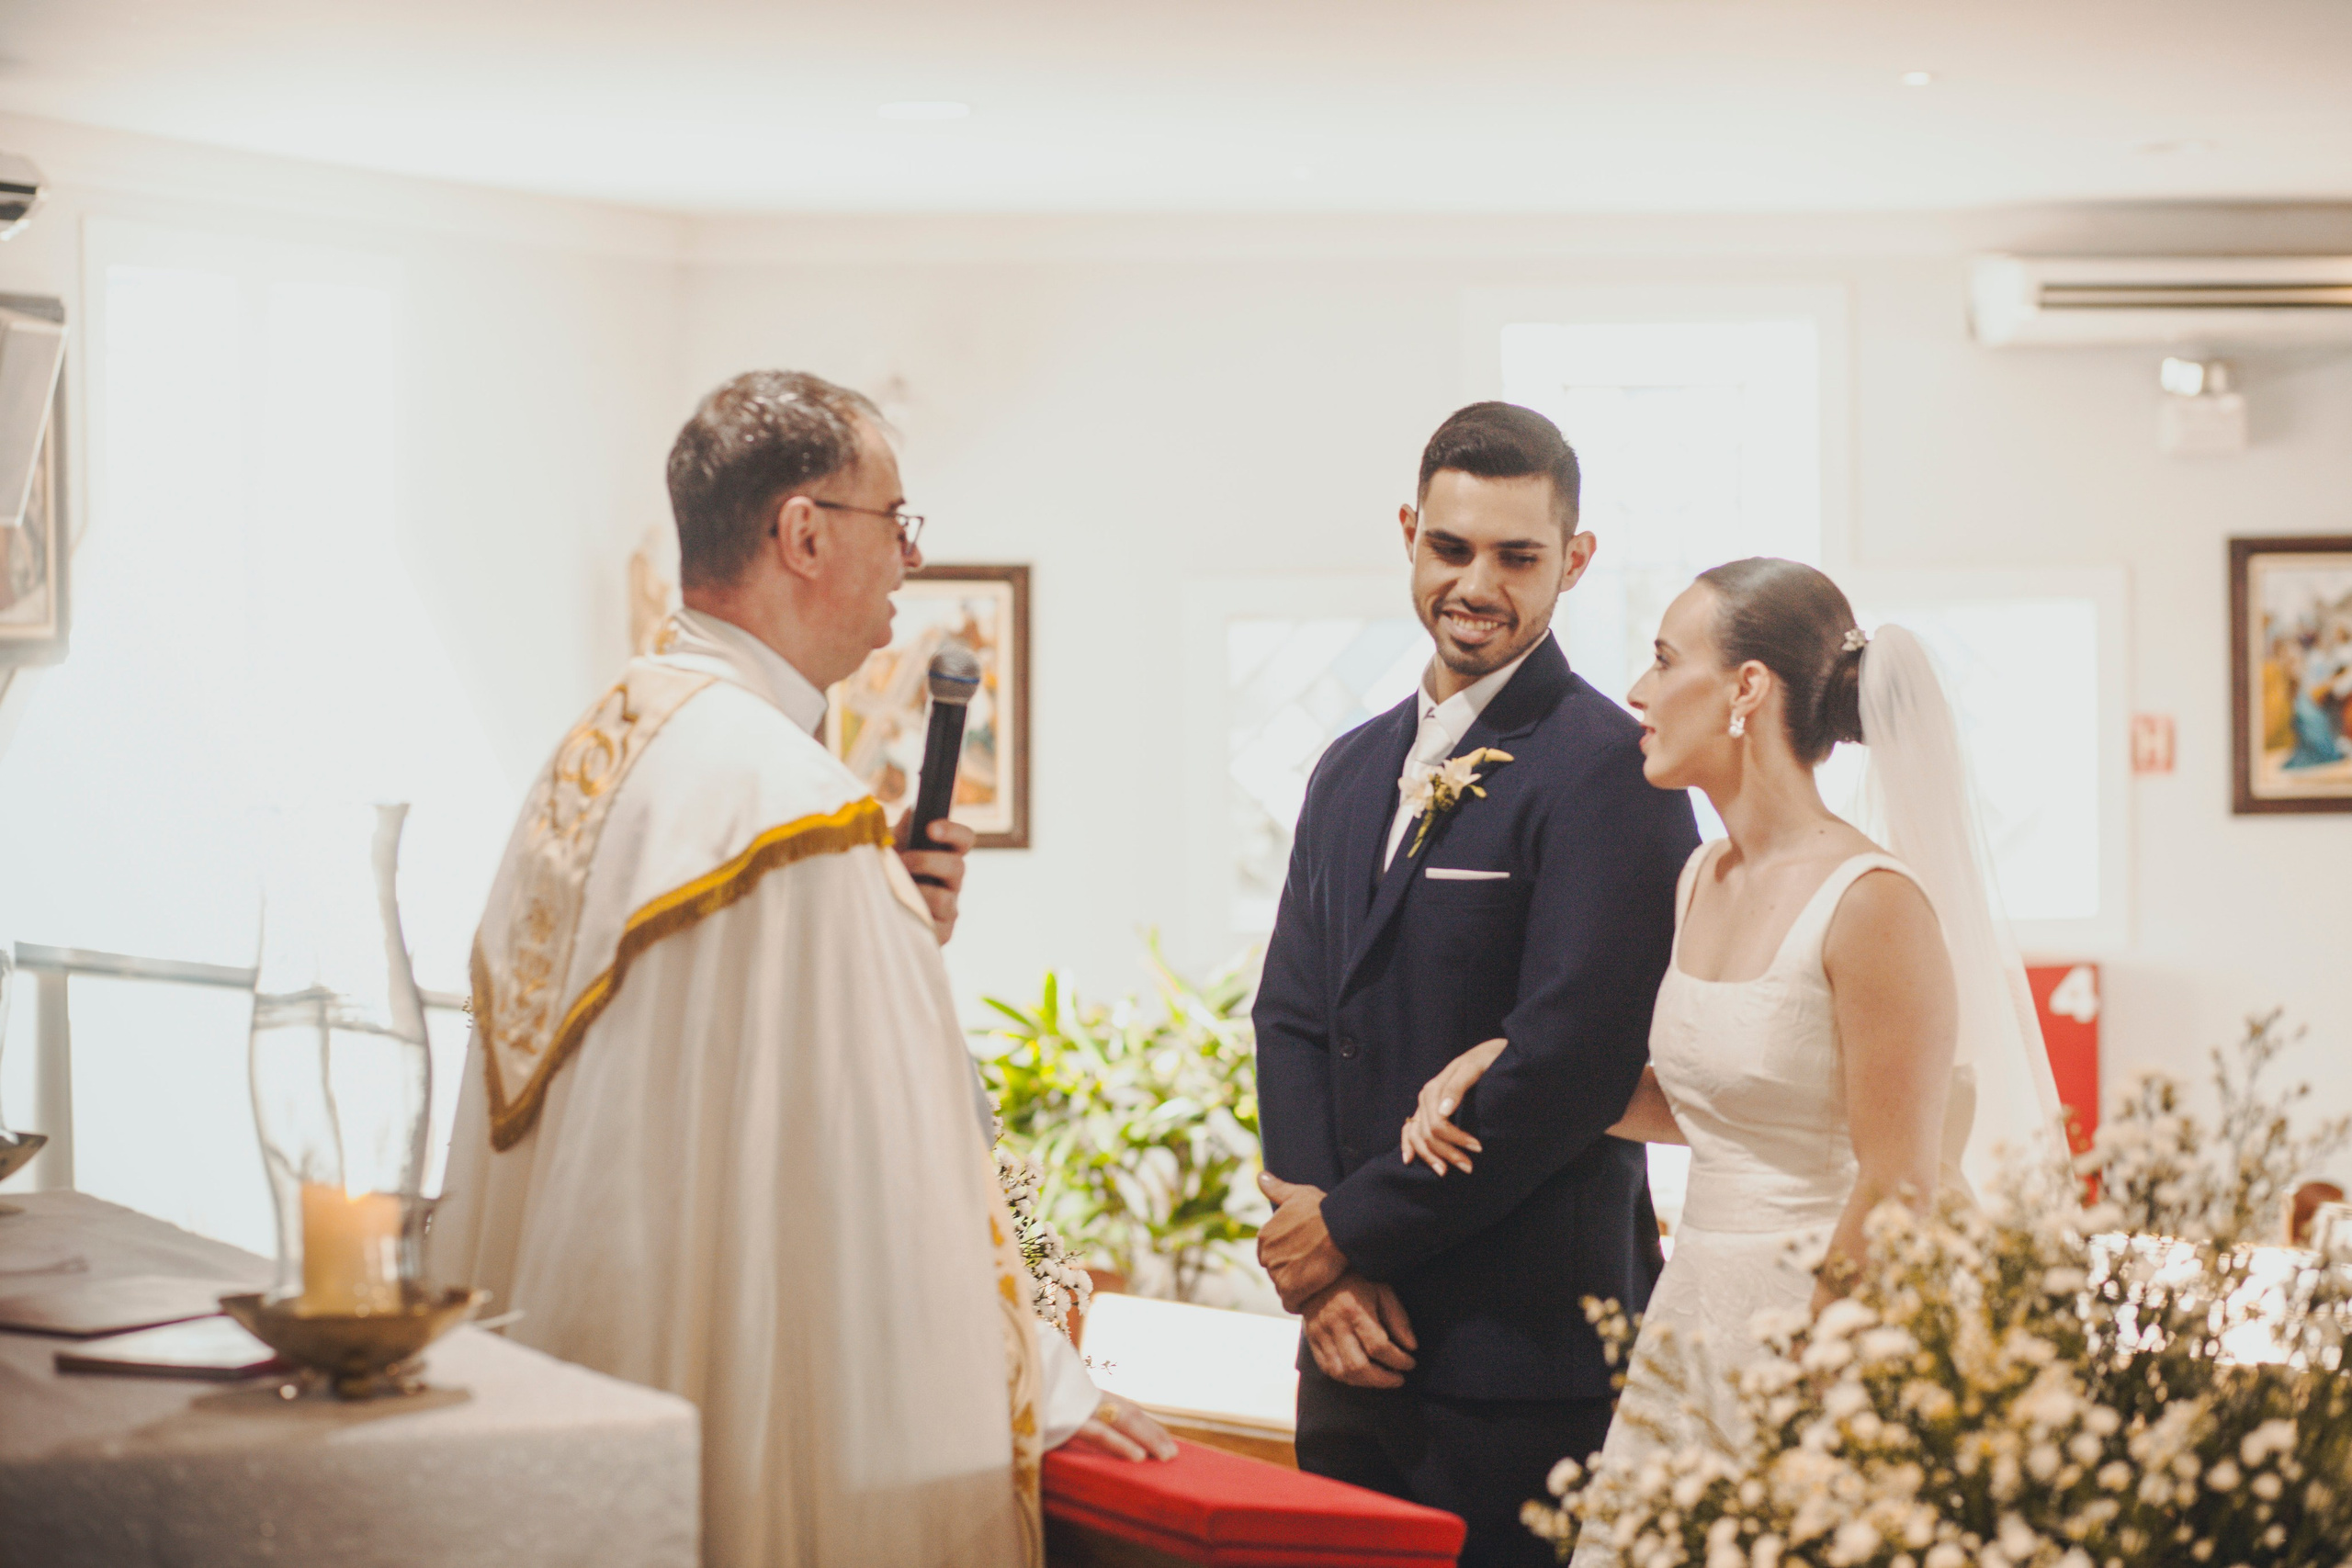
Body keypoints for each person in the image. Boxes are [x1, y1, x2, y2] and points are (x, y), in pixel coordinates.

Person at [432, 371, 1171, 1568]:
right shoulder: (793, 810)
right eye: (898, 523)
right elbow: (894, 1170)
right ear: (805, 531)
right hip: (715, 1385)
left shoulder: (607, 745)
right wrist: (1052, 1386)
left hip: (573, 1362)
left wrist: (890, 922)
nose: (911, 561)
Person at [1399, 558, 2062, 1565]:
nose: (1636, 692)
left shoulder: (1872, 903)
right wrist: (1509, 1055)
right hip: (1697, 1306)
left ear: (1747, 689)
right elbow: (1709, 1105)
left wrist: (1813, 1384)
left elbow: (1897, 1181)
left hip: (1823, 1325)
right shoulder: (1702, 877)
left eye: (1665, 661)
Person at [1252, 402, 1701, 1568]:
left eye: (1518, 557)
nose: (1477, 585)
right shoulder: (1348, 770)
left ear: (1574, 563)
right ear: (1410, 534)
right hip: (1350, 1349)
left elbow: (1569, 1064)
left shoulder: (1613, 770)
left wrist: (1344, 1233)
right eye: (1452, 548)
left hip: (1523, 1357)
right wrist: (1326, 1278)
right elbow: (1296, 1017)